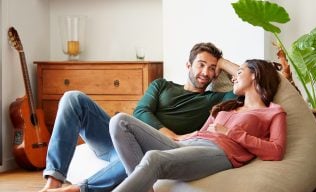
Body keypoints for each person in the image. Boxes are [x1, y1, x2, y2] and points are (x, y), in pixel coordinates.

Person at [40, 42, 239, 192]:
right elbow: (141, 112)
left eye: (212, 68)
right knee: (72, 98)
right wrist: (172, 135)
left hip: (148, 148)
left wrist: (222, 61)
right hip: (116, 138)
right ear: (188, 65)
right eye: (201, 64)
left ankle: (79, 189)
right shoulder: (162, 85)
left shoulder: (216, 99)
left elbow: (245, 84)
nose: (206, 72)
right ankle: (54, 182)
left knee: (146, 154)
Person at [109, 59, 287, 192]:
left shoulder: (273, 112)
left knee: (153, 158)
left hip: (219, 152)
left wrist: (232, 133)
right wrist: (186, 137)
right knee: (120, 121)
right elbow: (202, 133)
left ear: (255, 74)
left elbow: (276, 151)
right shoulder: (227, 106)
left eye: (239, 73)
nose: (234, 78)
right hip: (189, 144)